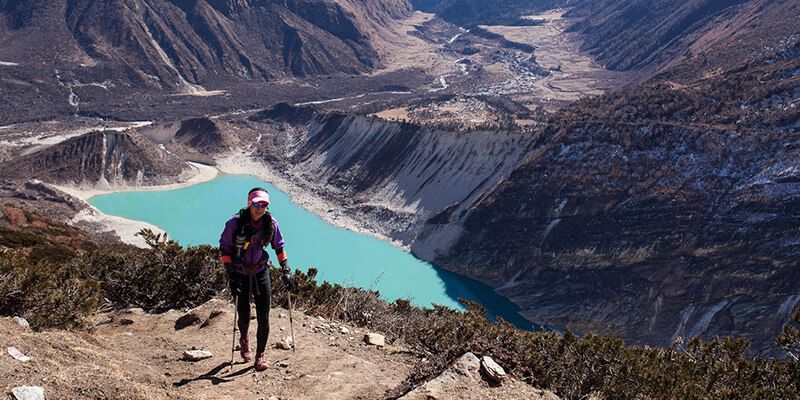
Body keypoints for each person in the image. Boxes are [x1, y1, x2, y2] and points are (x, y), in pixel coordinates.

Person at [220, 187, 297, 371]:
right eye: (256, 204)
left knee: (264, 316)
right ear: (249, 204)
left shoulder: (270, 223)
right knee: (244, 315)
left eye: (264, 205)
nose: (260, 208)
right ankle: (244, 339)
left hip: (261, 271)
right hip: (240, 273)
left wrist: (286, 270)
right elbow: (225, 249)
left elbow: (279, 247)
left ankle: (260, 354)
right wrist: (231, 274)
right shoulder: (234, 224)